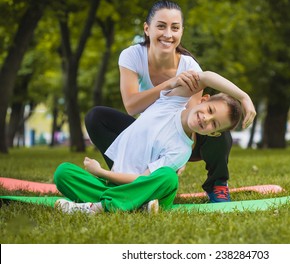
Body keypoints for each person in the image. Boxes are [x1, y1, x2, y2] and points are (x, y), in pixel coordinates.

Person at [85, 0, 245, 203]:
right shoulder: (132, 56)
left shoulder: (189, 66)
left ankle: (217, 184)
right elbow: (132, 106)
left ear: (181, 32)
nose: (168, 34)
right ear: (146, 28)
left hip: (184, 138)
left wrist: (179, 157)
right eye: (161, 26)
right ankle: (123, 177)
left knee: (220, 127)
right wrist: (170, 83)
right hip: (148, 133)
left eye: (175, 28)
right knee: (96, 117)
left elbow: (194, 115)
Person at [54, 70, 256, 214]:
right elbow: (205, 77)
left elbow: (143, 179)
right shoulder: (172, 102)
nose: (206, 119)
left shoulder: (182, 151)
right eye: (210, 111)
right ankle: (134, 204)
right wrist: (244, 97)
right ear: (203, 100)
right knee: (63, 172)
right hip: (121, 186)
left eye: (214, 125)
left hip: (141, 186)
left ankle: (99, 207)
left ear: (213, 134)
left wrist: (101, 172)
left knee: (168, 178)